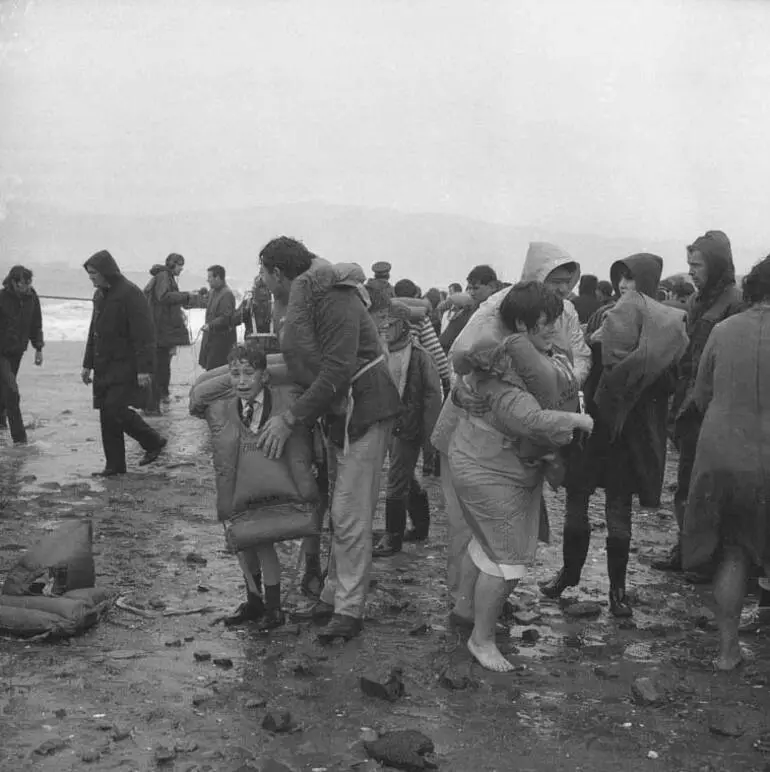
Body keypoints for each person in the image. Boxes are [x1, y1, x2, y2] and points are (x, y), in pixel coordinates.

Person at [255, 237, 402, 642]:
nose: (263, 282)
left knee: (351, 513)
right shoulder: (308, 299)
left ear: (278, 273)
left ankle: (349, 611)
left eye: (263, 274)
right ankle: (333, 596)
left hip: (365, 410)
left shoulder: (335, 300)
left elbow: (336, 371)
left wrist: (290, 418)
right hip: (340, 416)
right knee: (342, 510)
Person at [449, 282, 593, 672]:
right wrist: (577, 420)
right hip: (491, 470)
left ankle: (464, 611)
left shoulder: (523, 357)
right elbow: (530, 421)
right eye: (543, 323)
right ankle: (482, 639)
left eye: (554, 321)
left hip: (487, 463)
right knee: (508, 562)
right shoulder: (505, 365)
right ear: (520, 325)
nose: (551, 330)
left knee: (484, 546)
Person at [540, 254, 688, 616]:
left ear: (648, 285)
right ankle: (569, 573)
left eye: (633, 281)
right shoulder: (601, 315)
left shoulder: (665, 326)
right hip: (593, 423)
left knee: (618, 507)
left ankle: (617, 590)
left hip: (630, 433)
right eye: (621, 279)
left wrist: (641, 363)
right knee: (577, 496)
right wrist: (594, 342)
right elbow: (583, 365)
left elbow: (669, 382)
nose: (624, 287)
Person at [681, 255, 770, 670]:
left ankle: (727, 651)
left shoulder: (723, 330)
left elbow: (699, 396)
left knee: (734, 552)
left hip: (723, 456)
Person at [652, 231, 745, 575]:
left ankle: (713, 557)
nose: (691, 271)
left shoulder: (736, 302)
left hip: (717, 406)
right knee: (687, 481)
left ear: (716, 265)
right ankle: (688, 550)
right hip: (688, 403)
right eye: (689, 264)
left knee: (713, 486)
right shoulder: (695, 302)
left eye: (697, 265)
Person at [190, 342, 289, 631]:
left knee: (264, 542)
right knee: (245, 543)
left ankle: (274, 608)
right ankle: (254, 601)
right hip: (239, 484)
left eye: (249, 373)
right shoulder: (227, 406)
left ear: (264, 376)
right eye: (235, 374)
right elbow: (198, 401)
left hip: (267, 483)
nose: (242, 381)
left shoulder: (278, 402)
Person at [82, 250, 167, 476]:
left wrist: (144, 369)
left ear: (105, 272)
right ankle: (115, 466)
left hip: (126, 365)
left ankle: (153, 441)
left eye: (93, 274)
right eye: (89, 274)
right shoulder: (100, 295)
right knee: (106, 414)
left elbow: (145, 334)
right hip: (103, 365)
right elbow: (94, 332)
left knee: (115, 410)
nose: (91, 278)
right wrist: (87, 364)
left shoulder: (131, 294)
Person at [372, 301, 442, 557]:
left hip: (408, 427)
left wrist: (431, 440)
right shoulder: (382, 351)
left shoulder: (421, 357)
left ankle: (393, 537)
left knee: (396, 480)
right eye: (383, 325)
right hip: (387, 425)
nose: (385, 329)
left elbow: (433, 399)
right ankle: (421, 526)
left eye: (390, 325)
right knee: (404, 476)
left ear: (403, 326)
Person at [144, 253, 195, 411]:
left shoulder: (164, 276)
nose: (181, 269)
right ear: (172, 264)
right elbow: (163, 297)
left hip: (161, 328)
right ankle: (159, 396)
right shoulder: (164, 276)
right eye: (180, 265)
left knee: (163, 362)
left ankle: (161, 394)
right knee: (161, 363)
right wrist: (185, 296)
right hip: (160, 329)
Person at [0, 266, 44, 444]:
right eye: (22, 284)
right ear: (13, 282)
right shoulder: (2, 298)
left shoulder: (32, 298)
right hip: (0, 351)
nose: (26, 287)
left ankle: (1, 426)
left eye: (29, 283)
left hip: (17, 351)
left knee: (4, 390)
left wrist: (38, 348)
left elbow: (36, 323)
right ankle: (19, 439)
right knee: (12, 391)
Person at [198, 265, 237, 371]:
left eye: (210, 277)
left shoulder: (227, 294)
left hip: (221, 341)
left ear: (218, 278)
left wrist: (210, 325)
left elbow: (226, 317)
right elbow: (204, 303)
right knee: (209, 369)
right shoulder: (212, 292)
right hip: (211, 338)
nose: (207, 280)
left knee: (216, 370)